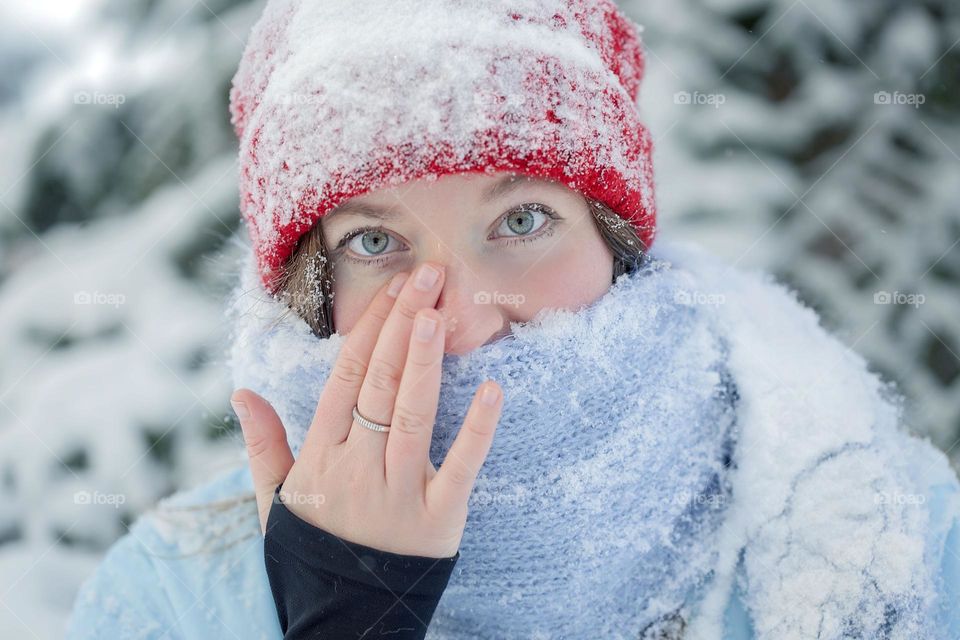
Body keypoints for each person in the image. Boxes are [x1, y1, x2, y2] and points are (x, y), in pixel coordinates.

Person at [66, 1, 960, 638]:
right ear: (311, 289)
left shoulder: (898, 535)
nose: (459, 320)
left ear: (617, 244)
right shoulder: (172, 592)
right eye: (376, 240)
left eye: (522, 221)